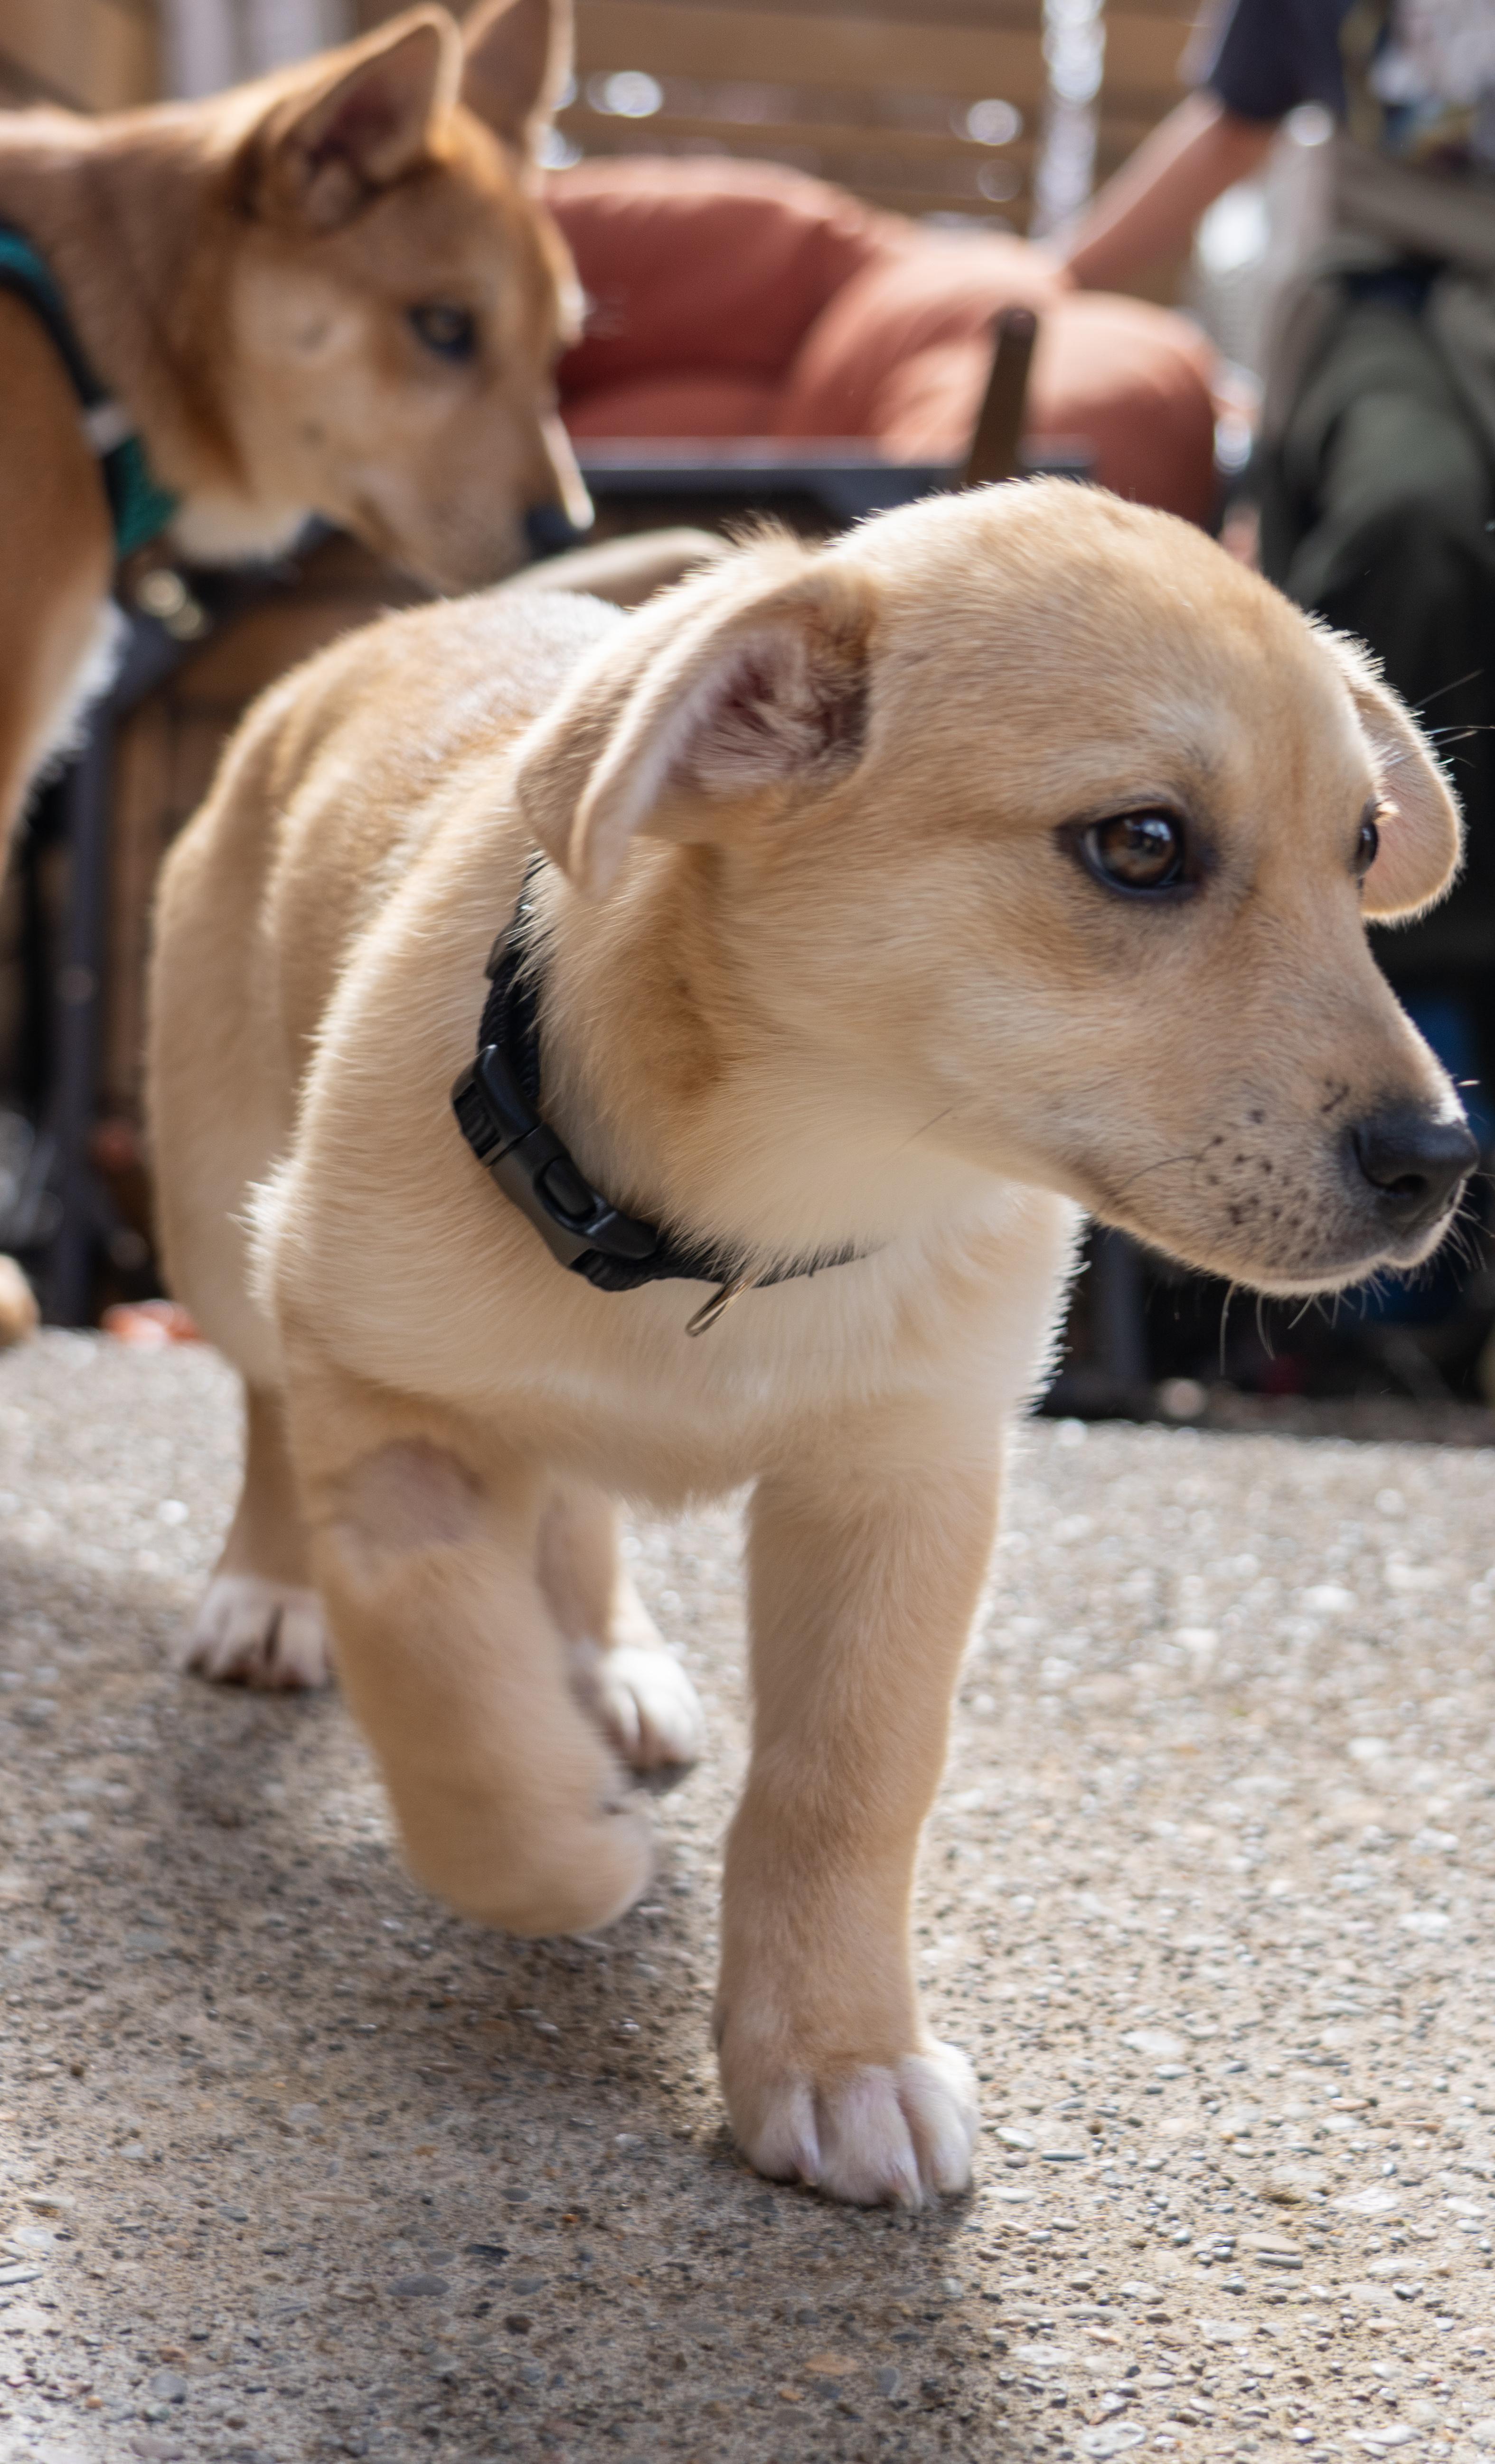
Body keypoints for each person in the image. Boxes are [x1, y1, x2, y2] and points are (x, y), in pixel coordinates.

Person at [1060, 3, 1495, 1023]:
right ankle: (1381, 972)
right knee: (1412, 516)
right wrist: (1054, 276)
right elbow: (1233, 123)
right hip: (1393, 292)